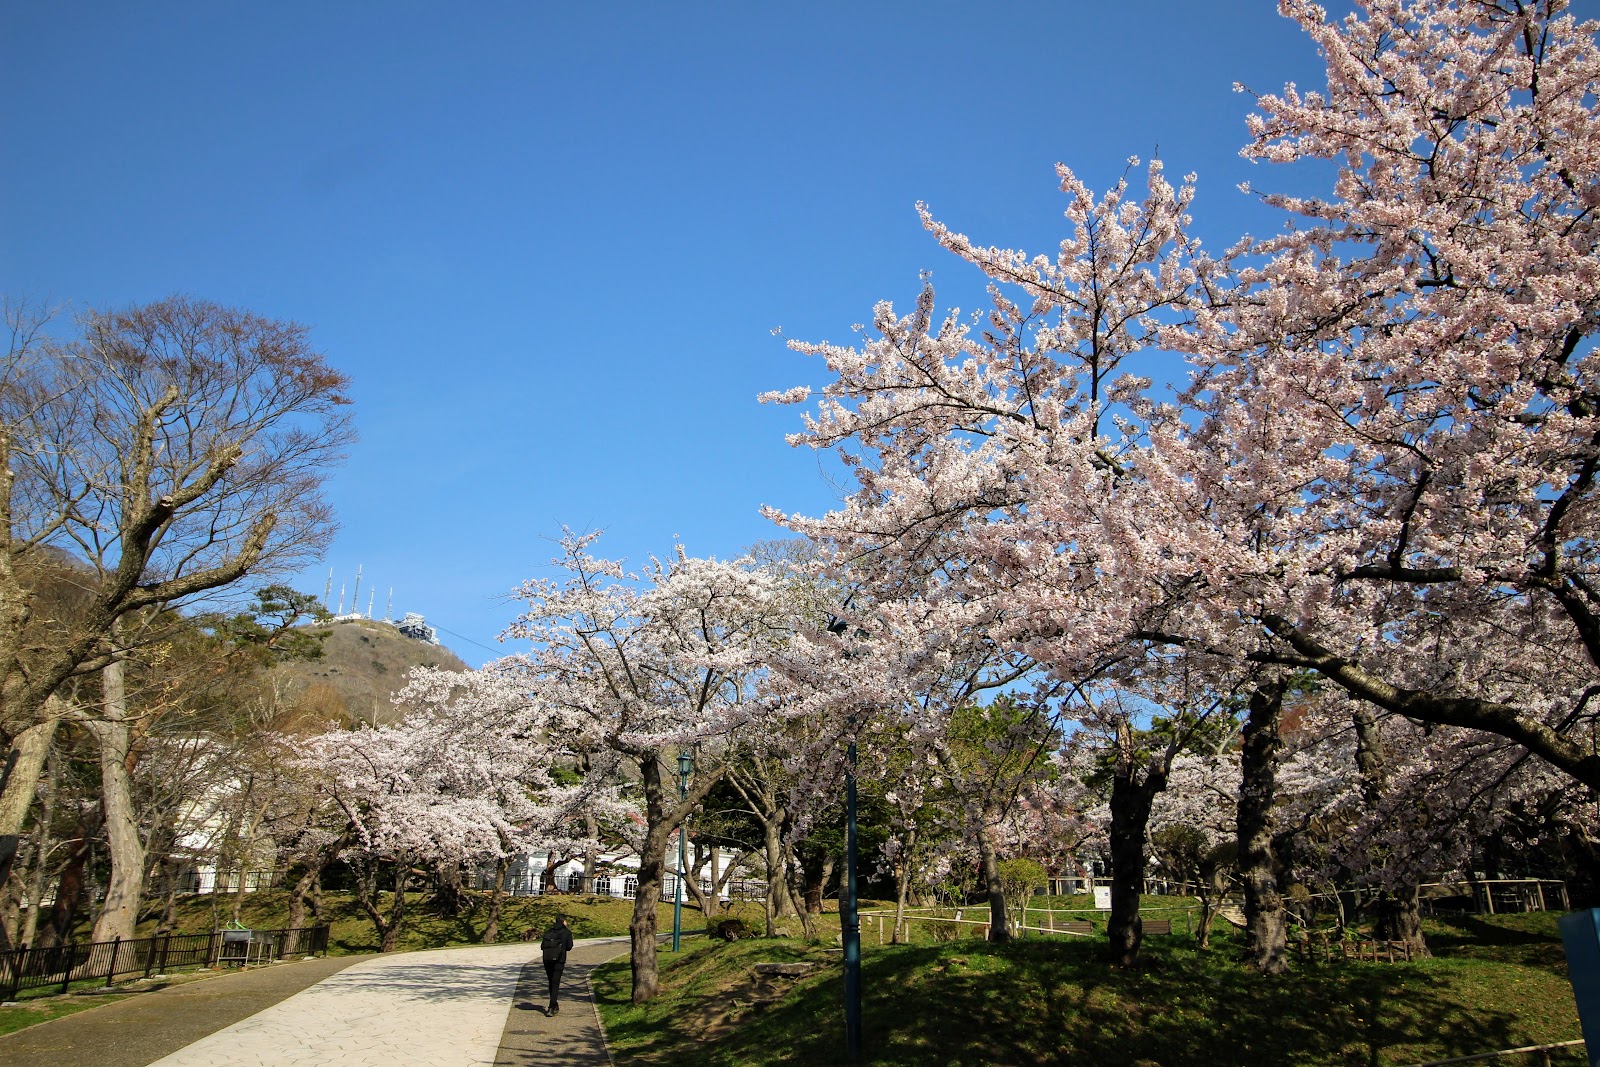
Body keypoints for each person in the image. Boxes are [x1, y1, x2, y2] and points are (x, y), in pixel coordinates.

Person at [539, 914, 575, 1015]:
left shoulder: (549, 931)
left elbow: (542, 946)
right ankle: (551, 1006)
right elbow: (569, 946)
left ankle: (554, 1004)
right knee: (556, 983)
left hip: (547, 959)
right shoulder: (566, 932)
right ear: (563, 921)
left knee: (551, 982)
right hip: (559, 960)